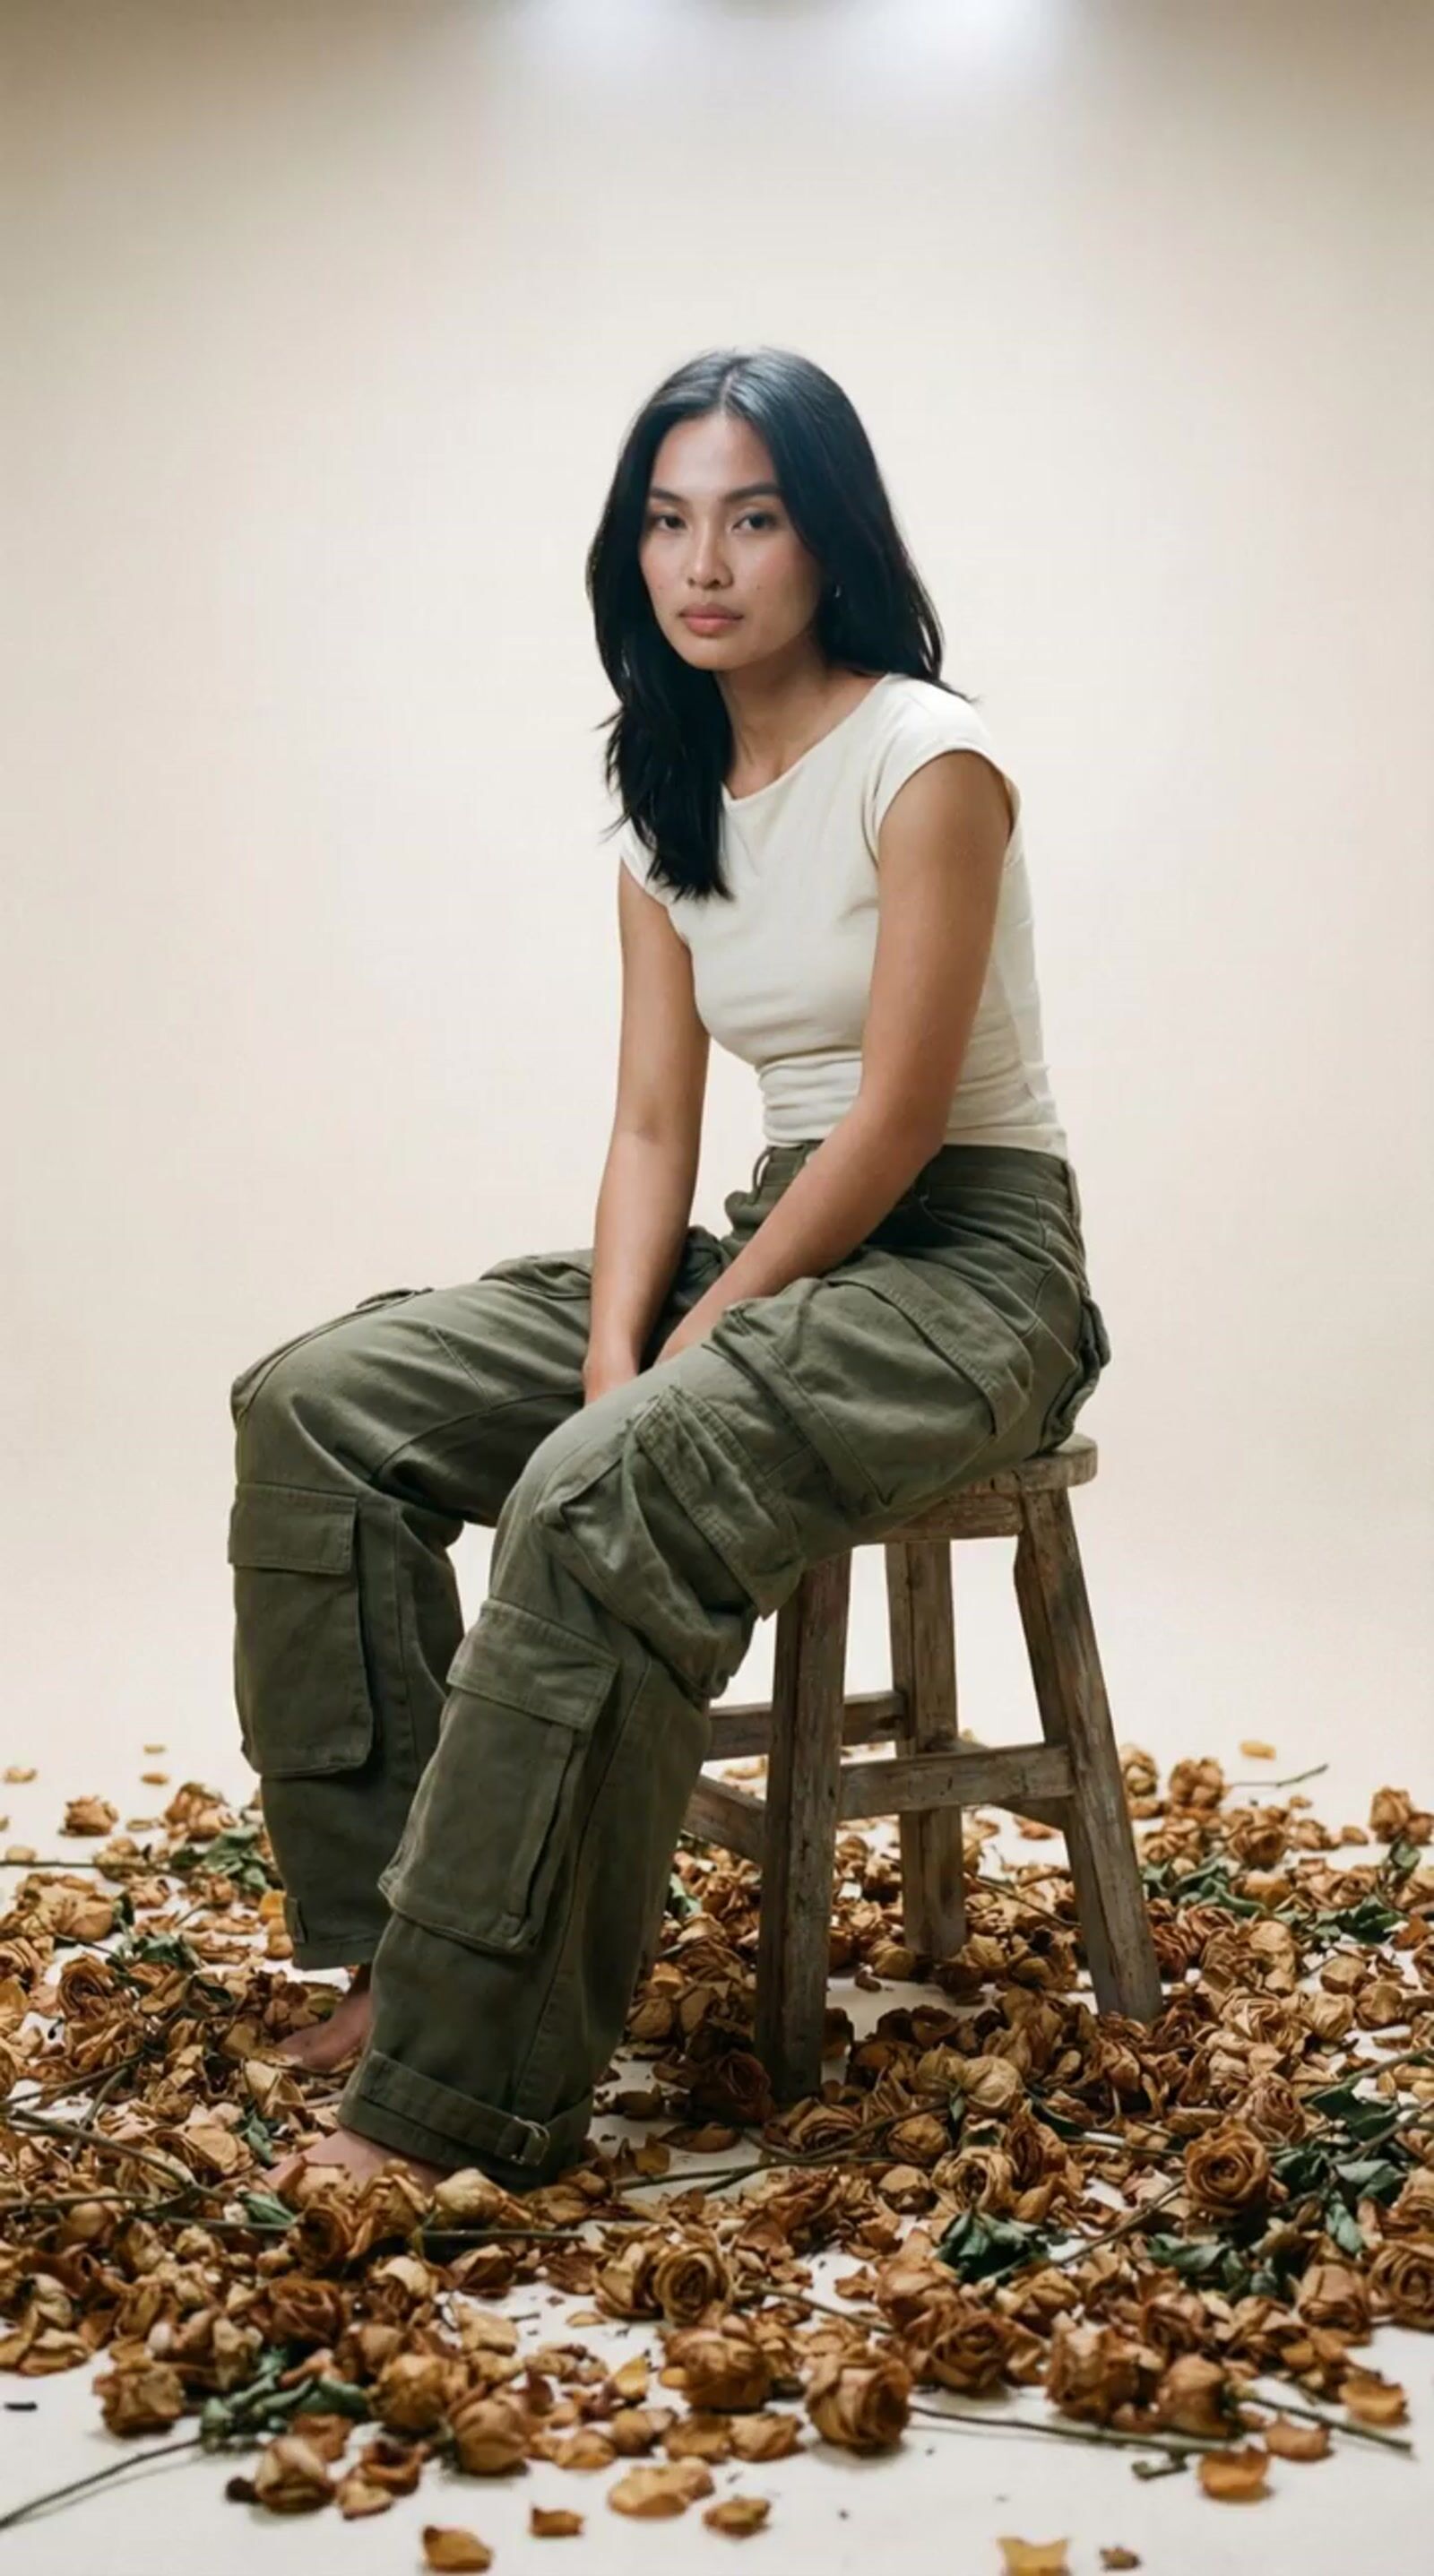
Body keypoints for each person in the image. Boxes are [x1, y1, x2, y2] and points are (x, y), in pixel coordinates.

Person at [236, 345, 1113, 2200]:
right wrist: (614, 1342)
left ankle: (452, 2094)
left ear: (828, 537)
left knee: (606, 1484)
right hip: (778, 1232)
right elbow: (650, 1125)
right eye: (664, 519)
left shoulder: (925, 760)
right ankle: (405, 1949)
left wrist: (693, 1348)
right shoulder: (666, 793)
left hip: (959, 1262)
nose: (699, 561)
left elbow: (886, 1123)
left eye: (750, 516)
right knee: (319, 1407)